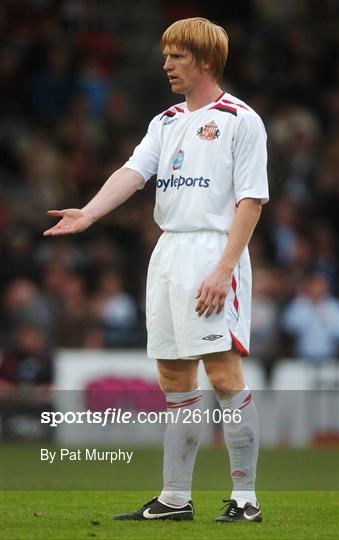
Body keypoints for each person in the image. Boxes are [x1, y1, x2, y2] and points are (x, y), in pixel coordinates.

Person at [44, 17, 269, 523]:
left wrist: (223, 269)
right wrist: (90, 211)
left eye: (177, 56)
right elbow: (132, 171)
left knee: (224, 371)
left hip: (214, 249)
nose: (166, 64)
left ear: (205, 61)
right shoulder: (165, 120)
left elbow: (252, 200)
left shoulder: (240, 119)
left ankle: (246, 500)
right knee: (173, 375)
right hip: (168, 252)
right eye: (166, 55)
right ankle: (174, 499)